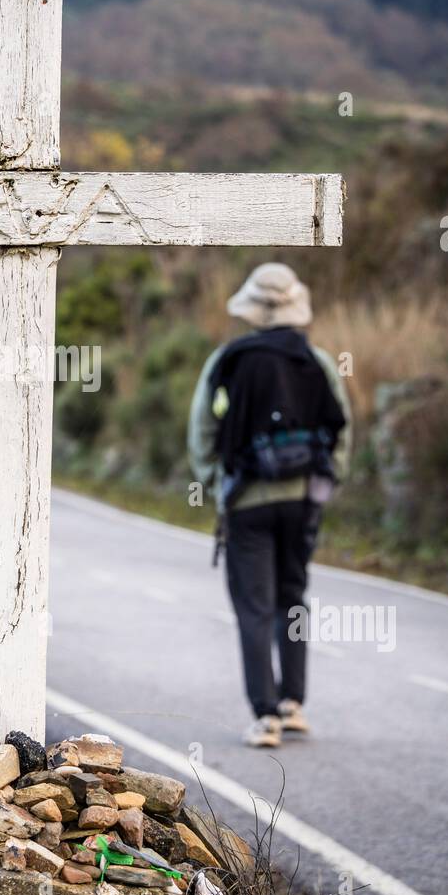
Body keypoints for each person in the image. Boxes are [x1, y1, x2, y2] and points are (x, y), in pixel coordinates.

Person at [188, 263, 352, 748]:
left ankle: (265, 716)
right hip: (303, 500)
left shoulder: (229, 359)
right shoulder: (318, 360)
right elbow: (342, 425)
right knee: (291, 596)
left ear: (251, 308)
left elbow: (201, 427)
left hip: (248, 502)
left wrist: (215, 480)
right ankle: (293, 703)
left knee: (254, 607)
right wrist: (327, 479)